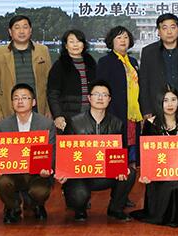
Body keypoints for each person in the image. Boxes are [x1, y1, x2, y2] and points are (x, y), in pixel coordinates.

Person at [58, 80, 137, 222]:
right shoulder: (74, 122)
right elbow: (65, 153)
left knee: (129, 172)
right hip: (81, 175)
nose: (100, 98)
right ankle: (79, 208)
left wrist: (121, 167)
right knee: (79, 195)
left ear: (109, 99)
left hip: (106, 174)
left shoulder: (117, 124)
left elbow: (121, 151)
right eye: (96, 94)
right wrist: (63, 172)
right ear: (89, 98)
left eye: (105, 95)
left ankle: (116, 208)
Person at [132, 87, 178, 227]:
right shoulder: (150, 124)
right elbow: (145, 153)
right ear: (159, 103)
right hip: (159, 176)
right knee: (173, 188)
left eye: (173, 100)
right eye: (165, 100)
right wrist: (145, 174)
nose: (170, 104)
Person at [0, 83, 56, 224]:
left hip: (38, 174)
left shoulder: (46, 124)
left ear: (33, 102)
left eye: (25, 98)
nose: (20, 101)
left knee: (39, 192)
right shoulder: (3, 126)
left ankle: (36, 205)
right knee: (1, 181)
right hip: (13, 173)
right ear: (12, 103)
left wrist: (48, 168)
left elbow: (52, 152)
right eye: (16, 98)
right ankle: (12, 207)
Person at [139, 13, 178, 127]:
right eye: (164, 28)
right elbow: (144, 83)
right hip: (157, 108)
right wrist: (146, 109)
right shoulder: (148, 52)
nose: (169, 32)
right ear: (158, 32)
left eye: (173, 27)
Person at [0, 15, 52, 123]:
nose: (21, 31)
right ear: (10, 32)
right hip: (8, 111)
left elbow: (50, 84)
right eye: (17, 27)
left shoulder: (43, 50)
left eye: (25, 27)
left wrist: (49, 109)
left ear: (30, 30)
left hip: (38, 110)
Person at [96, 25, 144, 165]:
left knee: (132, 148)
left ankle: (132, 173)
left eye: (126, 37)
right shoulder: (105, 62)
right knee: (117, 152)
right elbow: (101, 89)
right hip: (114, 112)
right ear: (112, 41)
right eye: (119, 37)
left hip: (133, 114)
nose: (123, 40)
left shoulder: (132, 62)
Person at [47, 29, 96, 134]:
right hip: (68, 118)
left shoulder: (91, 63)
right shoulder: (59, 65)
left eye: (78, 41)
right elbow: (53, 94)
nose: (75, 45)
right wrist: (58, 115)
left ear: (83, 44)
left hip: (91, 115)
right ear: (66, 45)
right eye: (71, 41)